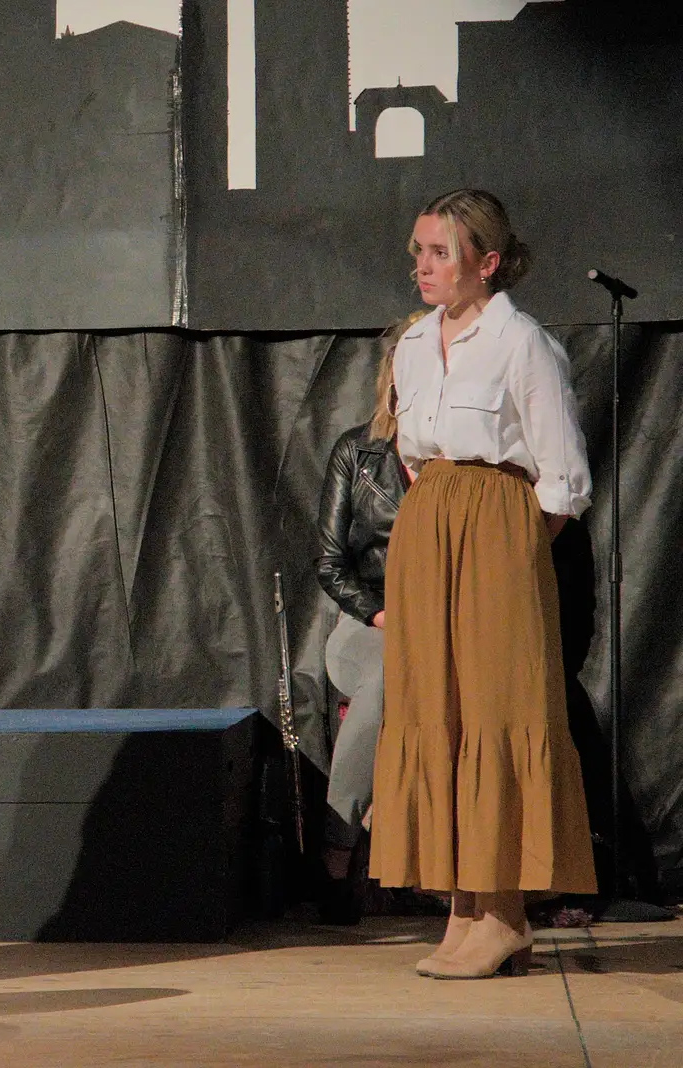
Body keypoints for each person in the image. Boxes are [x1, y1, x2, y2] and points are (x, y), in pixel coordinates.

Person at [369, 189, 597, 979]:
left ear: (486, 262)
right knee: (440, 711)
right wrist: (432, 528)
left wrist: (511, 552)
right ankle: (463, 908)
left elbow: (563, 474)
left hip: (500, 527)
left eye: (438, 253)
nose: (422, 267)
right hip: (428, 524)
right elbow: (410, 451)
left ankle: (504, 910)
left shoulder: (520, 341)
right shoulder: (411, 344)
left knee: (499, 708)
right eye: (417, 253)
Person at [313, 321, 414, 924]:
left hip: (440, 630)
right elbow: (328, 562)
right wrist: (379, 612)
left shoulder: (463, 457)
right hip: (366, 627)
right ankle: (337, 848)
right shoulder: (358, 450)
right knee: (384, 683)